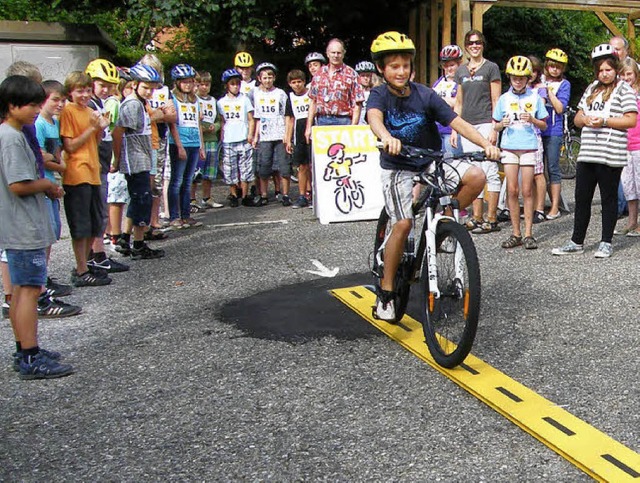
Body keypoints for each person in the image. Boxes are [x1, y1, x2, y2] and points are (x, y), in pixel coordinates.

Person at [366, 31, 500, 321]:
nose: (401, 71)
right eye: (394, 66)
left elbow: (457, 121)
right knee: (402, 224)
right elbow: (374, 117)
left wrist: (486, 144)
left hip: (429, 162)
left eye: (405, 65)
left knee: (476, 176)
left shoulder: (423, 94)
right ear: (382, 69)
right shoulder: (379, 95)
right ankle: (387, 292)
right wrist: (387, 136)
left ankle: (437, 231)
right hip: (397, 165)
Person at [0, 75, 74, 379]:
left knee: (21, 290)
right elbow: (18, 184)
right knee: (29, 290)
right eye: (30, 104)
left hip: (20, 226)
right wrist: (47, 184)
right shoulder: (11, 137)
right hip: (23, 227)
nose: (36, 110)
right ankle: (30, 356)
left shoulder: (13, 134)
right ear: (11, 105)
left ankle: (25, 348)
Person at [552, 44, 638, 258]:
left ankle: (606, 242)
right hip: (588, 153)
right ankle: (576, 240)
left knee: (608, 198)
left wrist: (605, 121)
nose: (604, 73)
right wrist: (586, 119)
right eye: (600, 70)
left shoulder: (624, 89)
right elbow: (578, 118)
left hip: (610, 154)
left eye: (608, 69)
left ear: (615, 68)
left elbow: (631, 119)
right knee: (582, 198)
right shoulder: (592, 88)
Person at [34, 80, 83, 317]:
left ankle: (43, 278)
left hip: (53, 182)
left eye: (63, 100)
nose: (61, 104)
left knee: (52, 233)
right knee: (43, 236)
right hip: (44, 185)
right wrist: (61, 167)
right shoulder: (39, 125)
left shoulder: (55, 123)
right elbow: (41, 158)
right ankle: (39, 286)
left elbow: (54, 156)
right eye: (55, 99)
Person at [60, 71, 112, 286]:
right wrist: (92, 127)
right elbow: (70, 145)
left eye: (87, 90)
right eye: (80, 90)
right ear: (70, 92)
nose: (84, 94)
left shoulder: (90, 110)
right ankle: (81, 269)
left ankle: (87, 262)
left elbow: (96, 141)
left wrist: (100, 128)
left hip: (92, 171)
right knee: (80, 225)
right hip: (76, 172)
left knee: (95, 222)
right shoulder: (68, 111)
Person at [111, 63, 166, 260]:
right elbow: (118, 131)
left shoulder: (140, 103)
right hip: (134, 159)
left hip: (141, 157)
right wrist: (117, 159)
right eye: (146, 87)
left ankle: (126, 237)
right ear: (134, 84)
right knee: (143, 199)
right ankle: (139, 243)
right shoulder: (132, 104)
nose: (150, 92)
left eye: (152, 88)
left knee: (137, 198)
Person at [493, 56, 548, 250]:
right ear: (509, 78)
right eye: (514, 77)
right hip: (509, 147)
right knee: (512, 190)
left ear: (528, 79)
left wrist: (533, 120)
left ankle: (528, 233)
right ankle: (515, 233)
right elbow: (496, 125)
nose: (518, 81)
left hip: (528, 146)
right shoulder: (504, 99)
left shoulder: (534, 97)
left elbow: (544, 123)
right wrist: (501, 124)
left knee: (526, 190)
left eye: (521, 77)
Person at [452, 29, 502, 234]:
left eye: (478, 42)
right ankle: (476, 215)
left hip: (485, 122)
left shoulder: (491, 68)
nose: (475, 46)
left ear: (483, 45)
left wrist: (494, 127)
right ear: (466, 47)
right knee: (474, 171)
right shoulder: (461, 71)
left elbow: (496, 100)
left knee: (490, 170)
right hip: (466, 125)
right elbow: (459, 102)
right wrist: (454, 129)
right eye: (471, 43)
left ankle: (491, 217)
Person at [84, 59, 130, 274]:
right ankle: (93, 257)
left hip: (101, 162)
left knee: (99, 211)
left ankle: (97, 254)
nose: (107, 90)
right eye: (102, 85)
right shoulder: (88, 107)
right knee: (95, 212)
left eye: (110, 86)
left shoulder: (101, 104)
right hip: (90, 165)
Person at [166, 63, 204, 229]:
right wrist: (179, 146)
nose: (188, 85)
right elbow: (173, 125)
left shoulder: (195, 101)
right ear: (177, 82)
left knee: (188, 181)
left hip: (194, 143)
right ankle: (174, 216)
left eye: (190, 81)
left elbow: (197, 123)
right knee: (177, 181)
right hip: (179, 143)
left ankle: (186, 215)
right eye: (184, 82)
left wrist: (201, 146)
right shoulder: (173, 99)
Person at [305, 38, 365, 142]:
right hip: (322, 121)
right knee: (323, 157)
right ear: (327, 54)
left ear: (343, 54)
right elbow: (313, 101)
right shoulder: (319, 74)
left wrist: (353, 127)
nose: (336, 55)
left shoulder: (351, 74)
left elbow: (357, 104)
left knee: (343, 156)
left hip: (344, 121)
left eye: (339, 53)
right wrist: (308, 127)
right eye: (333, 52)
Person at [252, 62, 291, 205]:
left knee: (284, 166)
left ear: (274, 78)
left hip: (280, 134)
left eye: (270, 77)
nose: (267, 80)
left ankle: (285, 194)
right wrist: (255, 136)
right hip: (265, 135)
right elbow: (257, 118)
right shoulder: (257, 94)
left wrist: (287, 135)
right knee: (264, 166)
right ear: (259, 79)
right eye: (264, 77)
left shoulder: (280, 94)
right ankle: (263, 195)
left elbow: (287, 116)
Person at [217, 68, 256, 207]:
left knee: (245, 167)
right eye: (232, 84)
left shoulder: (244, 99)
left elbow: (251, 119)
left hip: (243, 137)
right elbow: (222, 121)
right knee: (230, 168)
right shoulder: (221, 102)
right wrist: (221, 135)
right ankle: (233, 194)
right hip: (228, 139)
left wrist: (250, 134)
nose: (235, 86)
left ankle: (245, 195)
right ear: (227, 85)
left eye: (237, 83)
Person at [540, 48, 571, 221]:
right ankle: (540, 204)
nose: (554, 70)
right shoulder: (539, 80)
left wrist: (549, 91)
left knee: (553, 168)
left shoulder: (564, 85)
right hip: (537, 130)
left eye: (558, 67)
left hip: (553, 130)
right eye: (552, 66)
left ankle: (554, 207)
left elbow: (560, 108)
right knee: (539, 170)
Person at [615, 57, 640, 236]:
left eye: (629, 74)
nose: (625, 77)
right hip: (624, 145)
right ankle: (631, 221)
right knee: (628, 186)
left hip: (639, 145)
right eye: (622, 74)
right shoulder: (619, 94)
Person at [192, 71, 223, 210]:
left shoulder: (213, 101)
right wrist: (202, 128)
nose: (204, 87)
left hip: (212, 140)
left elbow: (219, 121)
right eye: (201, 85)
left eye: (207, 84)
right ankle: (192, 199)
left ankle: (207, 197)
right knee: (195, 172)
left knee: (209, 172)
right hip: (199, 140)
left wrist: (214, 127)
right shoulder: (194, 100)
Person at [284, 69, 313, 208]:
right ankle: (302, 196)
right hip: (298, 132)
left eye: (299, 82)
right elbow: (290, 119)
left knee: (314, 165)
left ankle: (314, 194)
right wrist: (288, 139)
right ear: (290, 84)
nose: (297, 85)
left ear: (304, 82)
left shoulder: (311, 93)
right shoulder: (290, 97)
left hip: (312, 129)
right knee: (302, 166)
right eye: (294, 82)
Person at [432, 44, 464, 156]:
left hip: (451, 131)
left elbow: (460, 103)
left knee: (453, 165)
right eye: (445, 66)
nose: (448, 69)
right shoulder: (439, 82)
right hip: (436, 131)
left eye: (452, 65)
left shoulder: (461, 82)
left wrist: (441, 100)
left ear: (459, 64)